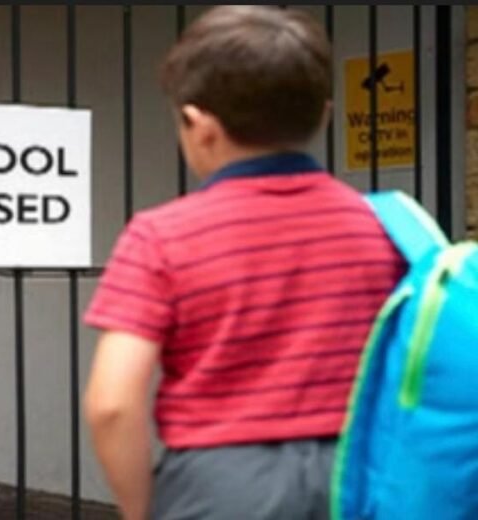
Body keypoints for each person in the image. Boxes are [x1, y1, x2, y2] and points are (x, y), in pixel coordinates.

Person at [83, 6, 406, 520]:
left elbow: (112, 403)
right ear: (324, 114)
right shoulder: (387, 226)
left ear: (199, 125)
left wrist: (142, 509)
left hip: (219, 486)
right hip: (361, 478)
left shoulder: (161, 236)